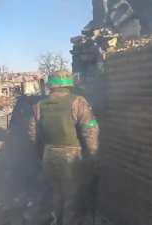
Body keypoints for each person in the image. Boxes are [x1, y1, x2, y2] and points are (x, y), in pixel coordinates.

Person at [29, 70, 100, 225]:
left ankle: (56, 220)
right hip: (71, 156)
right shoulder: (78, 101)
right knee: (72, 198)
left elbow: (32, 134)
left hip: (49, 155)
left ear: (51, 86)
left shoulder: (39, 105)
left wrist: (40, 154)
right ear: (69, 84)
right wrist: (93, 155)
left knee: (55, 194)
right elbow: (90, 129)